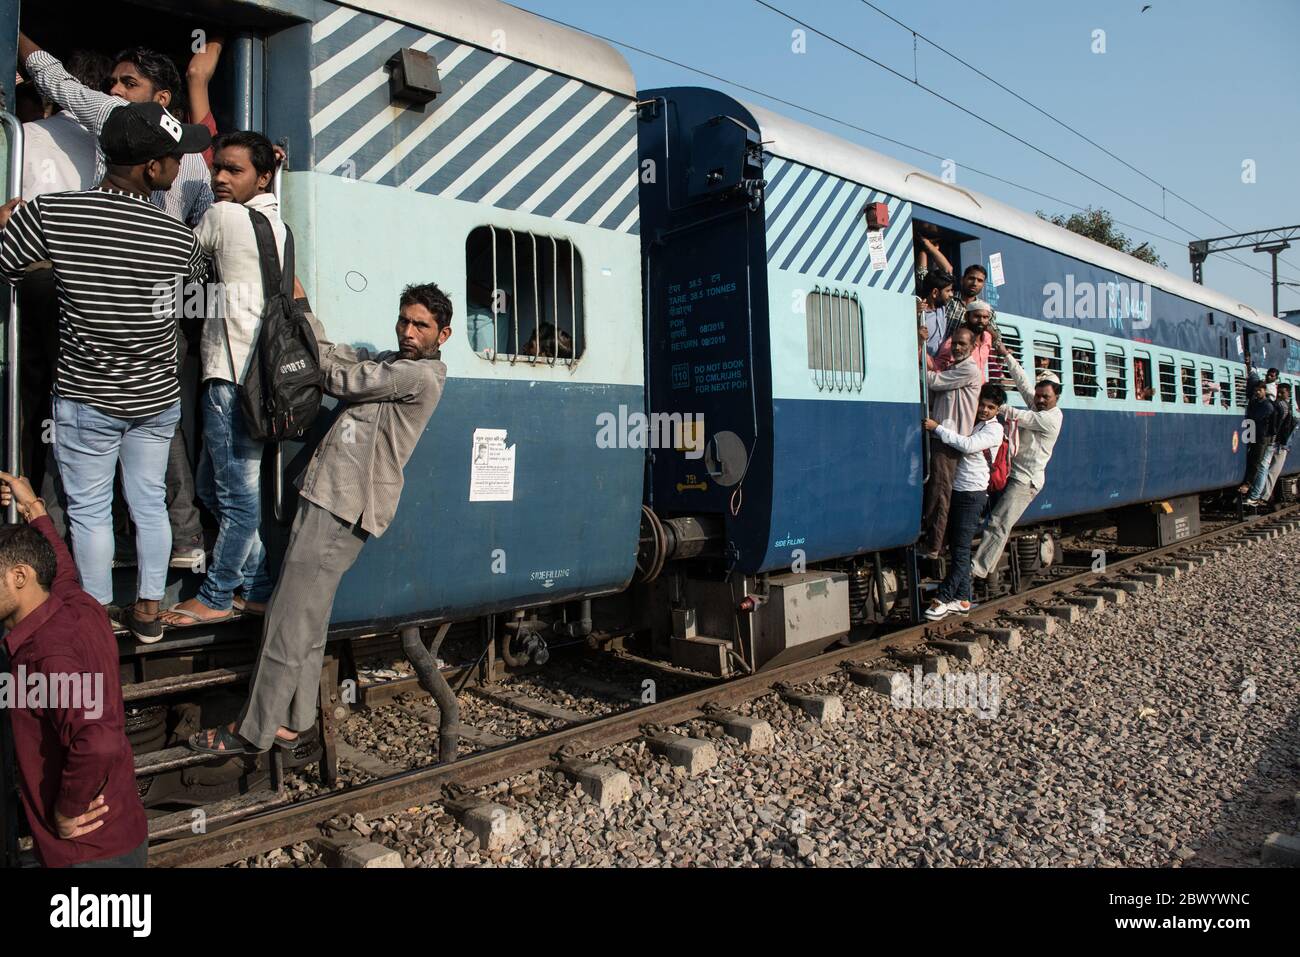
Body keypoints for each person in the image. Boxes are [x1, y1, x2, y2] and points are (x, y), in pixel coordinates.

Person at [188, 281, 452, 755]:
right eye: (405, 320)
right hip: (328, 498)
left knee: (287, 620)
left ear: (443, 335)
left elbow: (339, 377)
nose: (409, 331)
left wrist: (303, 309)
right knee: (307, 621)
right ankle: (296, 721)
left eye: (421, 325)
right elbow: (333, 355)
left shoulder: (422, 377)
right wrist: (308, 318)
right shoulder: (391, 363)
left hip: (343, 507)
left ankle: (253, 731)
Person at [0, 102, 212, 641]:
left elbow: (6, 263)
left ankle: (95, 620)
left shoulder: (53, 214)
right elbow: (191, 309)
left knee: (90, 513)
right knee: (149, 504)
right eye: (173, 158)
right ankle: (147, 613)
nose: (177, 166)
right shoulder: (179, 239)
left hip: (85, 396)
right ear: (151, 170)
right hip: (155, 398)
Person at [20, 31, 223, 567]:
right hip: (160, 310)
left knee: (90, 464)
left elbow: (58, 83)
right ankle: (175, 551)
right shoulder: (186, 156)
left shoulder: (124, 132)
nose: (113, 90)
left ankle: (62, 563)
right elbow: (200, 254)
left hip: (133, 312)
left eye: (127, 83)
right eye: (112, 81)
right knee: (157, 442)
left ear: (159, 99)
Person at [159, 132, 285, 629]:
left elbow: (180, 269)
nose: (219, 179)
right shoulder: (281, 228)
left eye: (233, 170)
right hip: (263, 381)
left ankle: (215, 595)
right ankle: (257, 588)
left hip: (229, 378)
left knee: (233, 499)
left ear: (263, 176)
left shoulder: (221, 217)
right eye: (217, 169)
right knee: (215, 488)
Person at [0, 472, 149, 867]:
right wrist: (33, 508)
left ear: (19, 577)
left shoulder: (46, 656)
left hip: (85, 855)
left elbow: (97, 740)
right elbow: (60, 570)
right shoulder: (77, 605)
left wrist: (68, 809)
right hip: (121, 834)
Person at [971, 344, 1064, 583]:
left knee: (1000, 522)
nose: (1040, 400)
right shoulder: (1038, 404)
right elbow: (1023, 383)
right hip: (1014, 475)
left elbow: (1018, 415)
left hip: (1025, 481)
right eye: (1039, 396)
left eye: (1046, 397)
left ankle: (978, 569)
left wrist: (991, 403)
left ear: (1057, 397)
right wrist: (1005, 353)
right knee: (991, 516)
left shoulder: (1050, 419)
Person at [922, 382, 1007, 620]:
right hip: (960, 491)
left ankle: (943, 598)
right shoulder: (977, 423)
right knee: (956, 548)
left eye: (991, 407)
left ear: (998, 409)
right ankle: (963, 599)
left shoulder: (994, 430)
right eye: (983, 405)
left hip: (973, 494)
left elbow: (968, 445)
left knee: (960, 550)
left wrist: (938, 428)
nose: (985, 410)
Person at [922, 327, 981, 556]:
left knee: (941, 491)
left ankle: (934, 545)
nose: (956, 347)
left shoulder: (968, 370)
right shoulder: (955, 367)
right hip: (943, 437)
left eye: (962, 344)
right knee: (939, 490)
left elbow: (934, 381)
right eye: (954, 343)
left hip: (948, 440)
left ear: (973, 346)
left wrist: (913, 360)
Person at [932, 299, 998, 381]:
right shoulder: (955, 341)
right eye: (977, 316)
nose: (981, 321)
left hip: (979, 389)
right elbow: (939, 368)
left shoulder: (987, 337)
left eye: (985, 317)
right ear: (966, 317)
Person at [1240, 378, 1280, 504]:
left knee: (1259, 464)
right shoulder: (1256, 403)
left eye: (1259, 390)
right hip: (1256, 435)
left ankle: (1251, 489)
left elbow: (1257, 418)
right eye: (1256, 390)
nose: (1257, 392)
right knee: (1258, 463)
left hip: (1263, 438)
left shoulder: (1267, 405)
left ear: (1265, 391)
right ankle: (1254, 492)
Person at [1258, 383, 1295, 504]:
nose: (1279, 394)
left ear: (1288, 393)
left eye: (1282, 392)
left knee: (1266, 469)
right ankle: (1263, 496)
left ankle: (1261, 494)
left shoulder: (1278, 405)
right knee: (1273, 471)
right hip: (1279, 444)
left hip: (1276, 442)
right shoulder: (1285, 406)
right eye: (1278, 392)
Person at [918, 269, 955, 359]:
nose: (951, 294)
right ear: (935, 292)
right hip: (923, 365)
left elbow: (948, 268)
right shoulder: (918, 314)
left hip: (940, 366)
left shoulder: (943, 307)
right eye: (948, 291)